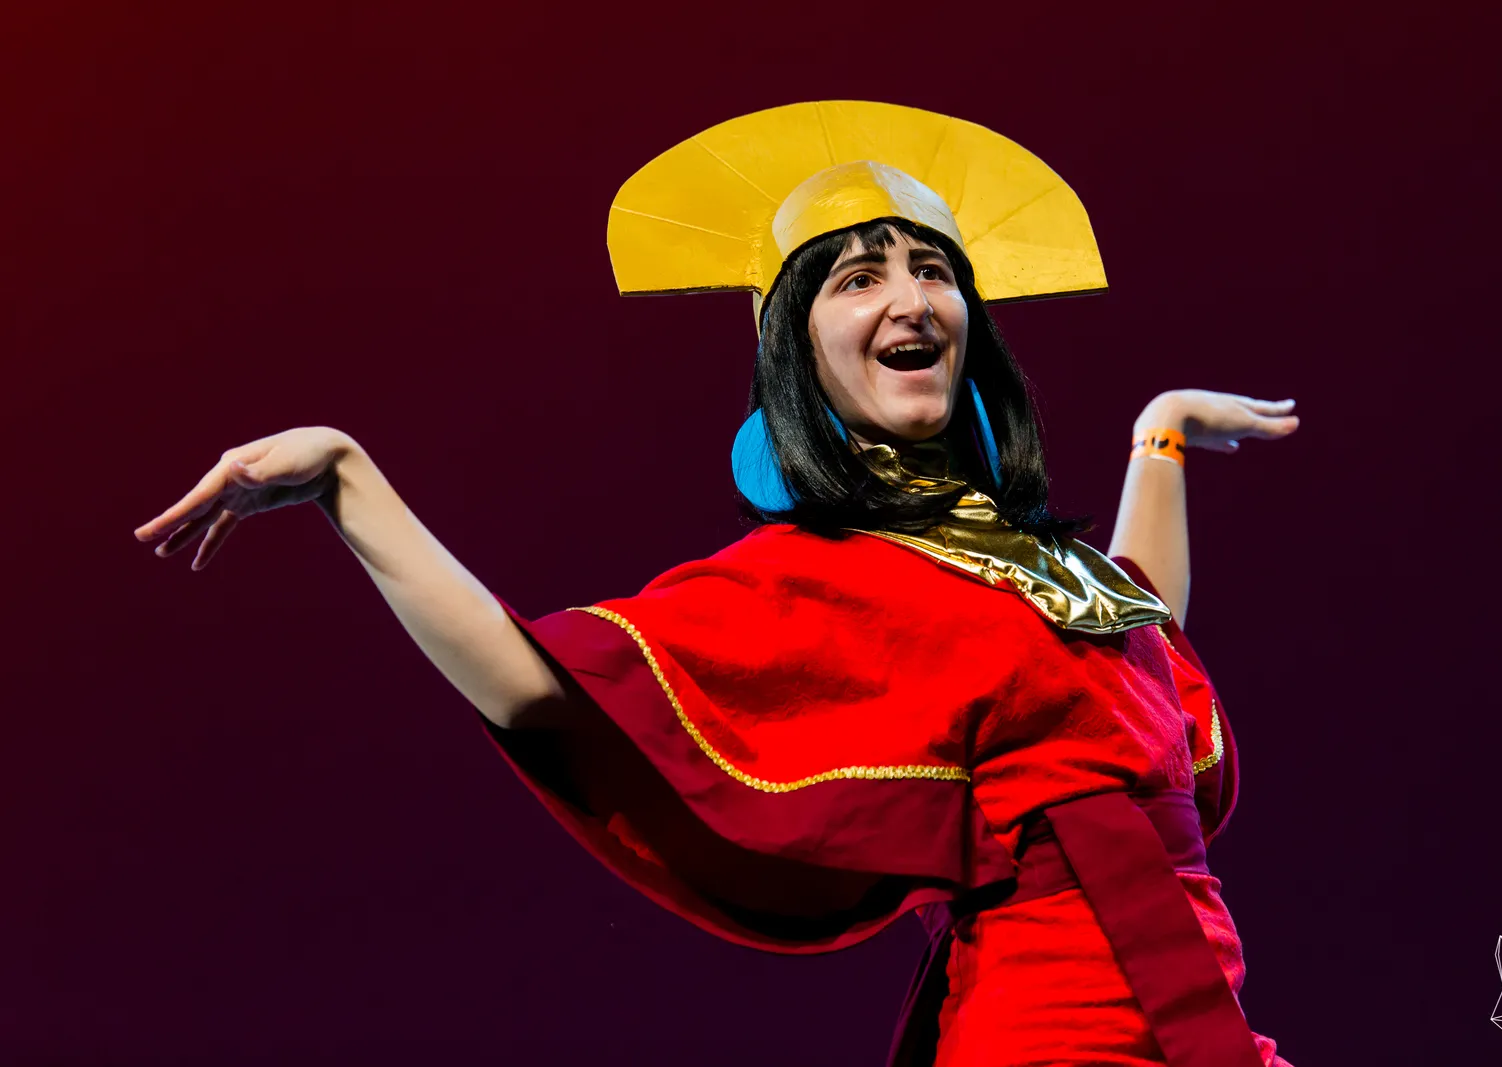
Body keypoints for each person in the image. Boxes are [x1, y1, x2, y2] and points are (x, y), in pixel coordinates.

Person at [134, 102, 1300, 1067]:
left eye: (933, 270)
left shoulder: (1041, 570)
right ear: (798, 348)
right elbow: (537, 686)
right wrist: (351, 483)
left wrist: (1160, 438)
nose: (909, 299)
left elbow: (1143, 639)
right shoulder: (826, 579)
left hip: (1203, 1026)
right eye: (857, 279)